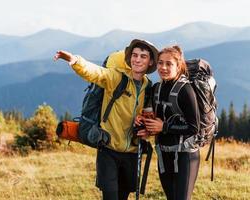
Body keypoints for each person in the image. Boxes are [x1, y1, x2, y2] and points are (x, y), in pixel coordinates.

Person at [54, 39, 158, 200]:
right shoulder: (116, 78)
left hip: (132, 152)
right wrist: (74, 60)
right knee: (110, 196)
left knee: (122, 197)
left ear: (150, 61)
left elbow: (149, 119)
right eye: (135, 55)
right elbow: (96, 73)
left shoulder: (149, 88)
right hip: (108, 149)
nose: (137, 59)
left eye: (143, 56)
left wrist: (144, 127)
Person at [135, 45, 200, 200]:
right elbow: (157, 119)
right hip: (164, 154)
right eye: (160, 63)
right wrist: (145, 125)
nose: (163, 67)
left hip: (185, 156)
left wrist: (164, 126)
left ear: (179, 66)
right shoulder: (156, 88)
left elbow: (194, 127)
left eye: (169, 64)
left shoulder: (186, 90)